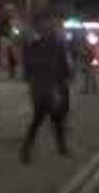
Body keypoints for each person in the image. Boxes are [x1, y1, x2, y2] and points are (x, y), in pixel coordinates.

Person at [20, 12, 71, 163]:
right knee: (46, 117)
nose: (48, 27)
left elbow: (62, 62)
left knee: (49, 117)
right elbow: (28, 64)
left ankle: (29, 149)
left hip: (49, 84)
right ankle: (29, 149)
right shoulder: (37, 42)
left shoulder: (51, 42)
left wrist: (64, 78)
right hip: (44, 85)